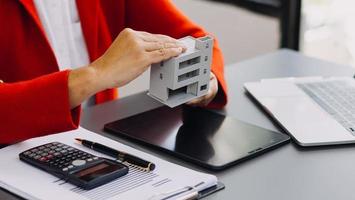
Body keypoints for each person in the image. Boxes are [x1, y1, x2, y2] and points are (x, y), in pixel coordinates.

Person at [0, 0, 228, 145]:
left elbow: (193, 38)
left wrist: (203, 76)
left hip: (97, 145)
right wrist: (94, 75)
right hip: (16, 160)